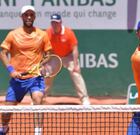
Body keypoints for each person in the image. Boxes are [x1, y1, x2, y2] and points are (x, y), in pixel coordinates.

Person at [0, 5, 52, 135]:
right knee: (6, 112)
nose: (29, 17)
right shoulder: (13, 34)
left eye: (31, 15)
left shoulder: (42, 35)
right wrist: (11, 70)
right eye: (26, 15)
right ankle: (4, 128)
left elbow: (49, 54)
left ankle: (38, 132)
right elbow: (3, 53)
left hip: (36, 77)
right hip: (17, 79)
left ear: (34, 17)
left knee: (38, 99)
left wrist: (41, 64)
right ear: (22, 16)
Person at [44, 14, 90, 105]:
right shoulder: (48, 32)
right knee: (47, 74)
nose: (54, 25)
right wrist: (45, 62)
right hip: (55, 56)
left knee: (76, 73)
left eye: (56, 23)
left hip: (69, 56)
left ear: (60, 23)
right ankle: (41, 97)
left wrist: (76, 64)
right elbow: (45, 48)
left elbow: (75, 49)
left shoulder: (68, 33)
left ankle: (84, 99)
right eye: (52, 23)